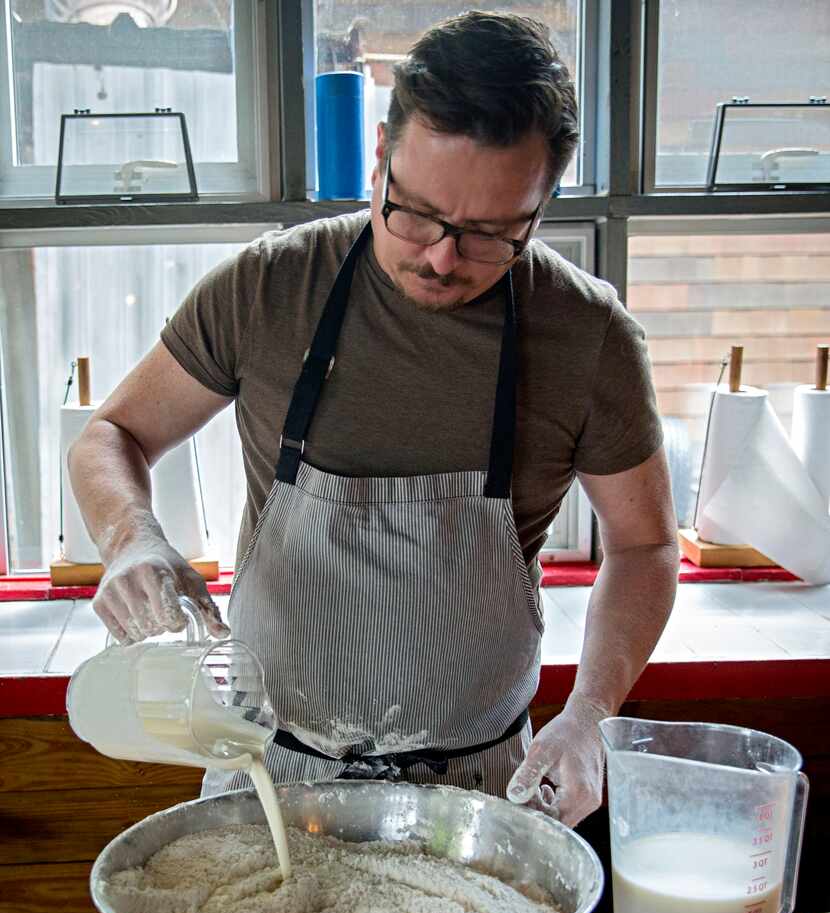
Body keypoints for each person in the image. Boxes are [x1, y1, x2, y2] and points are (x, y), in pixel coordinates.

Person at [69, 11, 678, 827]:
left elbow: (644, 545)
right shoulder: (269, 289)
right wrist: (129, 537)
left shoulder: (586, 334)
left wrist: (589, 716)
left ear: (543, 202)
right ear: (381, 154)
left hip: (482, 795)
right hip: (273, 775)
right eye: (416, 212)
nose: (441, 258)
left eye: (493, 234)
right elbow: (111, 434)